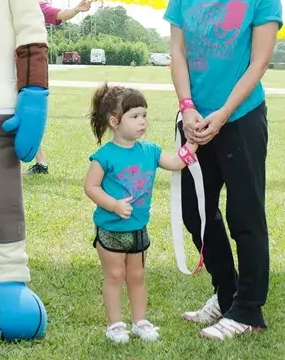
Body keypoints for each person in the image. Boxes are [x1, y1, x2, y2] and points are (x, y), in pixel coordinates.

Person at [165, 0, 282, 340]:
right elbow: (177, 50)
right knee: (196, 212)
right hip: (193, 120)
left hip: (240, 119)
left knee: (245, 214)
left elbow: (259, 62)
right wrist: (188, 107)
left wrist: (222, 113)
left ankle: (248, 310)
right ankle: (227, 293)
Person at [84, 83, 199, 343]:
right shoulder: (104, 156)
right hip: (111, 229)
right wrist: (113, 204)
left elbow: (177, 163)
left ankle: (140, 321)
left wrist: (193, 144)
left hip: (137, 228)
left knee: (136, 276)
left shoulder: (150, 151)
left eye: (144, 115)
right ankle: (115, 325)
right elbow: (90, 187)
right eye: (134, 116)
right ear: (115, 121)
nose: (142, 122)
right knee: (114, 276)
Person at [26, 0, 94, 174]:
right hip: (5, 67)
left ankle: (39, 163)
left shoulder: (35, 4)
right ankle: (38, 162)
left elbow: (60, 14)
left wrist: (77, 9)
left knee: (27, 113)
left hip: (28, 67)